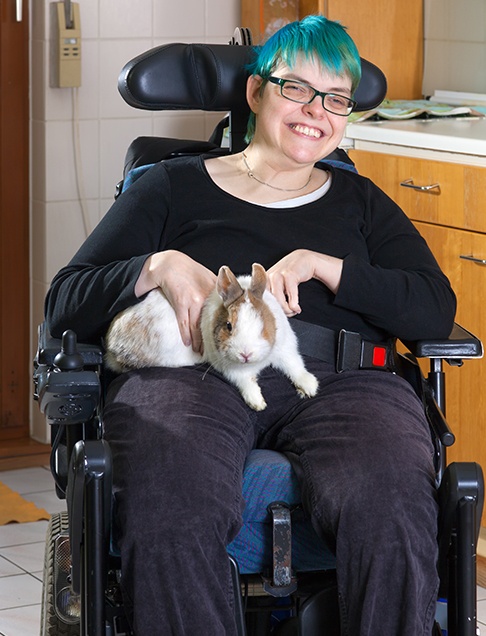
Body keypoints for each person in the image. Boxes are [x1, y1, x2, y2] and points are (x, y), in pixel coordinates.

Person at [45, 15, 456, 636]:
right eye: (296, 89)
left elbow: (434, 307)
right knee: (172, 506)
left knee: (390, 507)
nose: (316, 110)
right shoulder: (169, 186)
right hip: (197, 378)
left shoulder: (361, 202)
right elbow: (65, 301)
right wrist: (157, 266)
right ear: (256, 93)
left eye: (336, 98)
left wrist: (331, 268)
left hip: (342, 381)